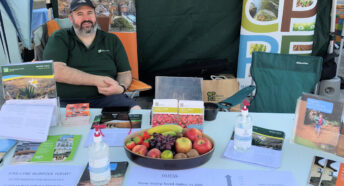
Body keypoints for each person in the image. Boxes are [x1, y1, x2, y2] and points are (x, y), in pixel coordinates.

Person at [43, 0, 140, 109]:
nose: (86, 18)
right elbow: (55, 70)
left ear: (95, 15)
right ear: (71, 18)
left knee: (135, 111)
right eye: (80, 14)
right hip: (67, 101)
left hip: (106, 99)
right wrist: (98, 80)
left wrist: (121, 87)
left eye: (90, 13)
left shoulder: (111, 40)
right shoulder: (60, 37)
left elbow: (125, 73)